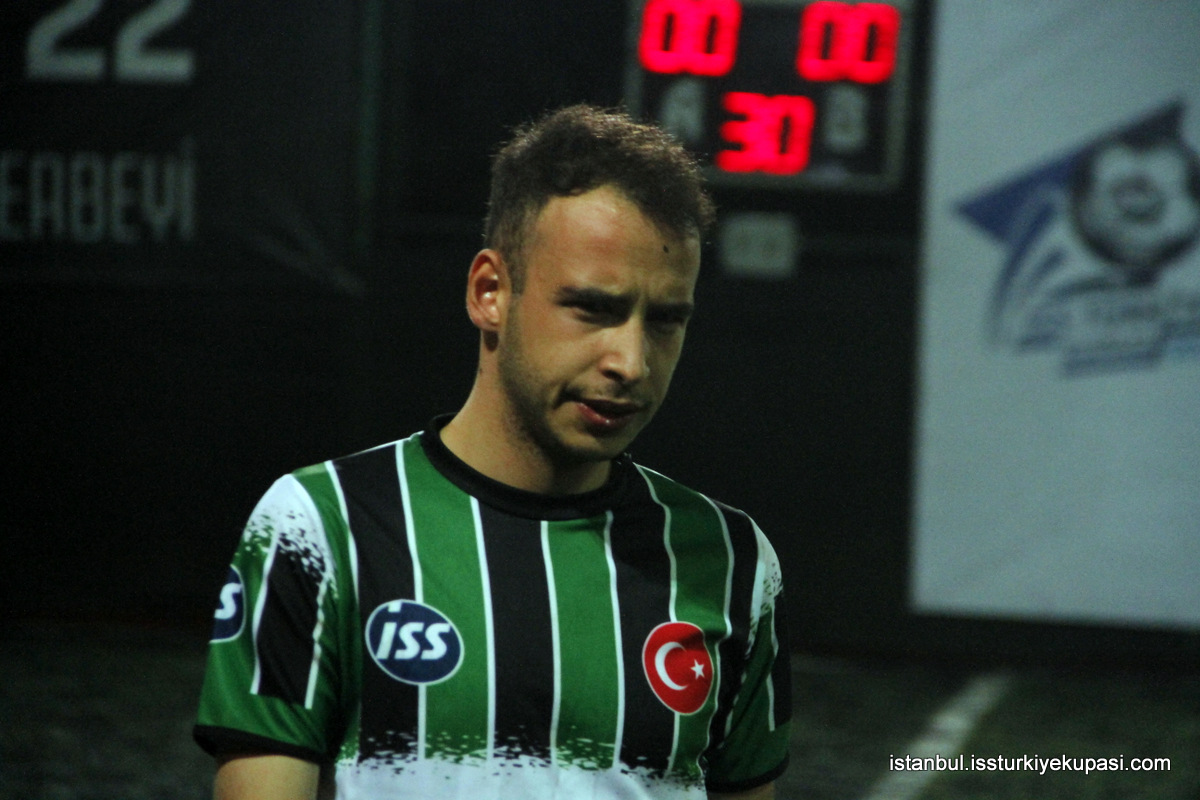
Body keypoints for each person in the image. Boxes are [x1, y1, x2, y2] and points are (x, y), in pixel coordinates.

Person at [194, 104, 792, 800]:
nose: (631, 362)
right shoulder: (320, 528)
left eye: (665, 321)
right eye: (593, 309)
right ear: (490, 293)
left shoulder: (731, 562)